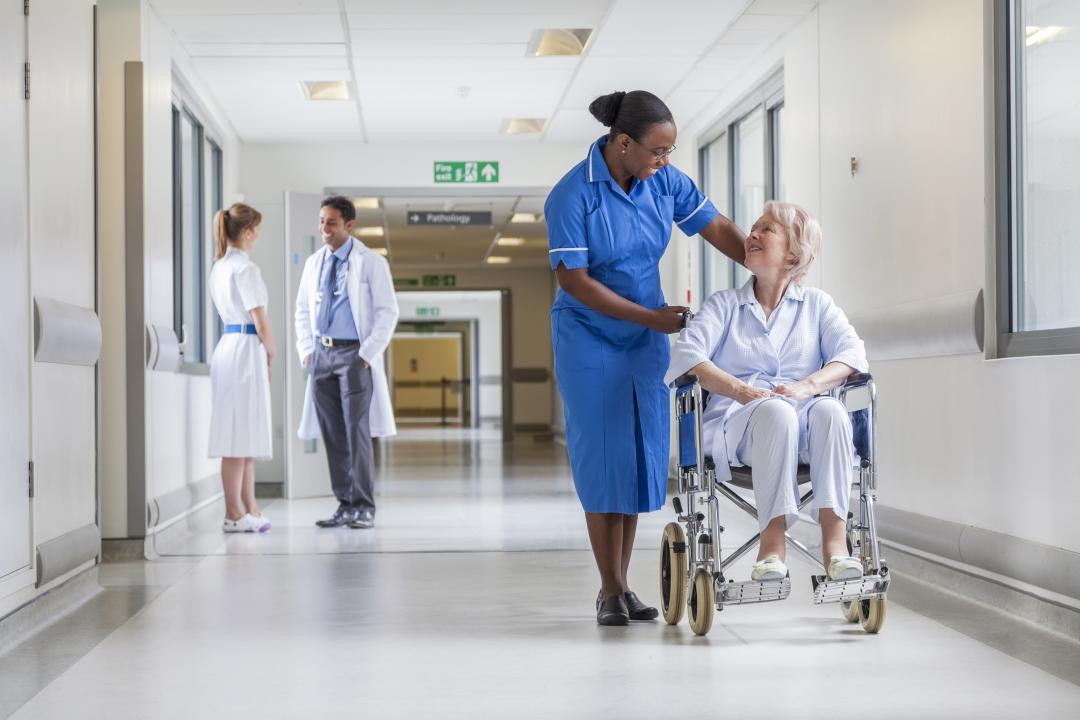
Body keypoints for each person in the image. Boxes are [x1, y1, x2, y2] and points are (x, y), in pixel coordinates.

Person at [546, 90, 747, 625]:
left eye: (671, 151)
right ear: (624, 142)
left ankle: (623, 586)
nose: (665, 162)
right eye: (658, 151)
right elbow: (575, 281)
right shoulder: (572, 194)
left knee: (637, 455)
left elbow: (717, 227)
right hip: (588, 335)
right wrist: (651, 317)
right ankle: (609, 588)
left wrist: (768, 261)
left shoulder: (664, 182)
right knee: (601, 457)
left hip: (642, 338)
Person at [665, 201, 869, 583]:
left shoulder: (817, 306)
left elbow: (852, 355)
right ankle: (772, 546)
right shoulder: (724, 305)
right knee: (776, 412)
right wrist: (740, 390)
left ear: (793, 254)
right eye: (753, 228)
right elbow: (687, 356)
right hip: (738, 427)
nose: (751, 234)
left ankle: (836, 546)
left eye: (767, 229)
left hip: (805, 420)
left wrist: (807, 386)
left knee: (831, 411)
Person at [295, 195, 399, 529]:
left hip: (354, 355)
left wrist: (367, 354)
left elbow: (387, 312)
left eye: (331, 223)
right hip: (321, 356)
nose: (324, 229)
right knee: (332, 434)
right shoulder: (314, 263)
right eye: (322, 221)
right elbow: (301, 310)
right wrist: (307, 351)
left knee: (357, 432)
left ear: (349, 225)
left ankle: (364, 505)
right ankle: (344, 503)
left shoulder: (371, 262)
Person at [208, 203, 274, 533]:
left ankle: (250, 508)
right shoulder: (245, 269)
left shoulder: (220, 267)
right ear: (246, 233)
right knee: (237, 436)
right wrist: (271, 352)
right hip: (246, 349)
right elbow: (260, 320)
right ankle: (234, 513)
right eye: (257, 230)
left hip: (230, 347)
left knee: (243, 434)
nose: (258, 236)